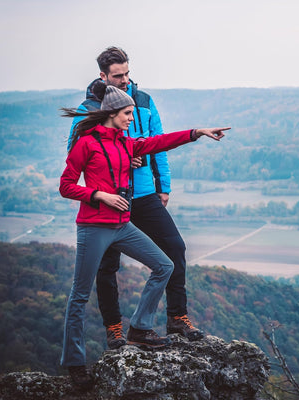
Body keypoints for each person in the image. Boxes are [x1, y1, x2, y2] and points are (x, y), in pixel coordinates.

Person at [60, 82, 229, 388]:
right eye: (127, 113)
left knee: (165, 265)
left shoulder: (127, 143)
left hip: (122, 226)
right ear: (112, 113)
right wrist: (100, 195)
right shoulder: (86, 144)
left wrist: (198, 132)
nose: (131, 118)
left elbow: (162, 142)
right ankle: (75, 363)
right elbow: (66, 185)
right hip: (95, 227)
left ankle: (139, 328)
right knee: (79, 295)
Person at [67, 46, 205, 351]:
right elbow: (75, 155)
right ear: (103, 75)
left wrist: (163, 186)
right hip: (108, 200)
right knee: (107, 268)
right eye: (118, 76)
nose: (126, 80)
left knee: (174, 248)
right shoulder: (88, 109)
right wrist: (115, 159)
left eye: (128, 73)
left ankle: (177, 317)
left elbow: (158, 142)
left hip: (143, 194)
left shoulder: (142, 101)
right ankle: (114, 329)